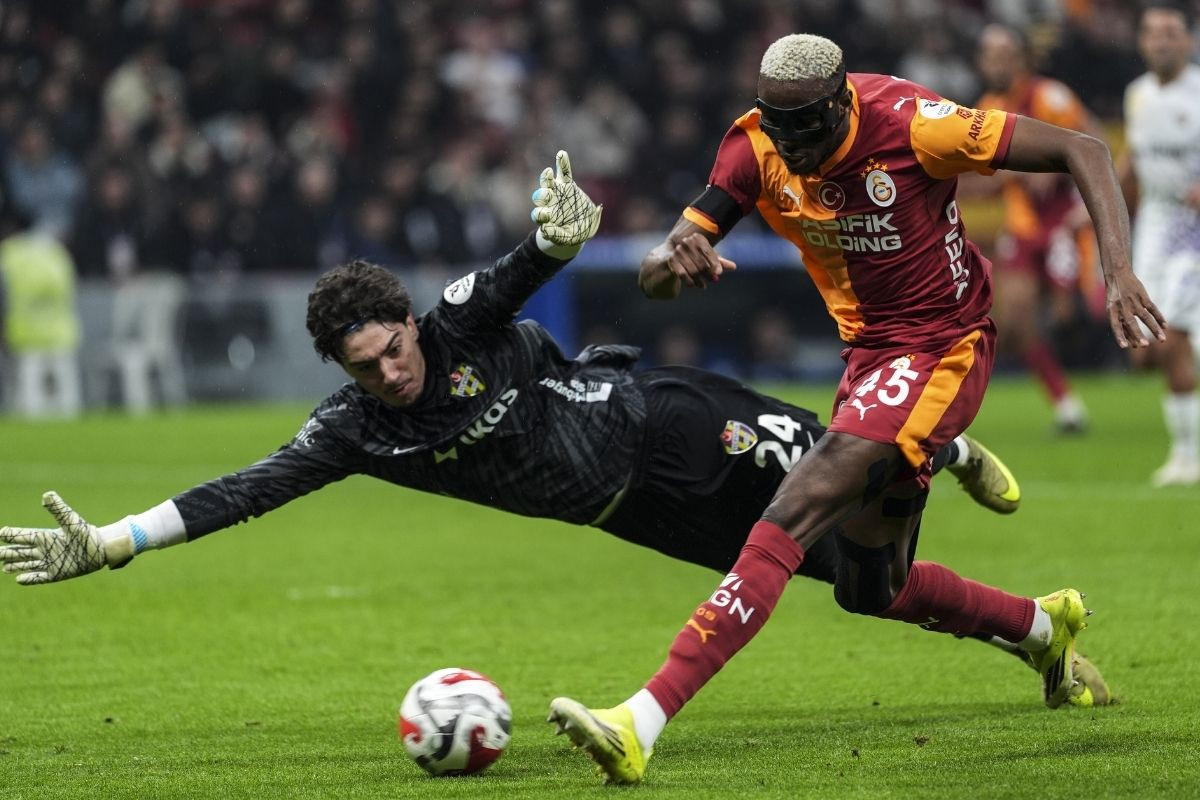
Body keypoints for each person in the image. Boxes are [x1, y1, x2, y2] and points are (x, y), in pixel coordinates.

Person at [0, 153, 1105, 702]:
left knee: (843, 474)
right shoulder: (355, 431)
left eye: (392, 348)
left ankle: (936, 440)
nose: (390, 372)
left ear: (406, 321)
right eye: (365, 367)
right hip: (639, 511)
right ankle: (1037, 628)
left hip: (672, 424)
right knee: (863, 584)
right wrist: (115, 541)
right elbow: (242, 490)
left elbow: (518, 270)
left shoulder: (456, 323)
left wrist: (559, 241)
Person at [547, 34, 1160, 785]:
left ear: (842, 104)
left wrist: (1118, 271)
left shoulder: (916, 126)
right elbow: (661, 271)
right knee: (872, 588)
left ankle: (640, 719)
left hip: (944, 348)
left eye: (808, 129)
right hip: (868, 362)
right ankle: (1041, 626)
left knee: (795, 505)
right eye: (781, 128)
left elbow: (1081, 148)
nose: (793, 148)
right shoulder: (754, 145)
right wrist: (670, 263)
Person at [973, 23, 1100, 434]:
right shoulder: (985, 109)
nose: (997, 64)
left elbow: (1092, 143)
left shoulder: (1049, 96)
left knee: (1076, 316)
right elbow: (988, 173)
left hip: (1064, 221)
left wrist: (1055, 169)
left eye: (1004, 55)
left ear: (1021, 59)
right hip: (1023, 228)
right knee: (1013, 321)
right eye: (990, 56)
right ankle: (1067, 405)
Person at [1119, 2, 1200, 486]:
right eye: (1152, 33)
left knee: (1172, 338)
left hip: (1191, 231)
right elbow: (1136, 156)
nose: (1161, 41)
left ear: (1188, 40)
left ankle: (1187, 457)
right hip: (1154, 222)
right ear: (1142, 42)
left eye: (1170, 32)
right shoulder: (1138, 94)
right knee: (1145, 352)